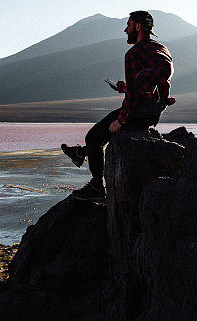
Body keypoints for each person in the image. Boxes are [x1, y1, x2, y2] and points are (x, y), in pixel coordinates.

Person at [61, 10, 175, 201]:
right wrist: (127, 86)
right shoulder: (161, 49)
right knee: (101, 136)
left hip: (139, 110)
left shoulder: (134, 53)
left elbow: (133, 95)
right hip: (153, 112)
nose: (125, 30)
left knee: (94, 137)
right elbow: (151, 82)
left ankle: (97, 187)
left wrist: (121, 119)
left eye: (128, 25)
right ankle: (80, 153)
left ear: (138, 27)